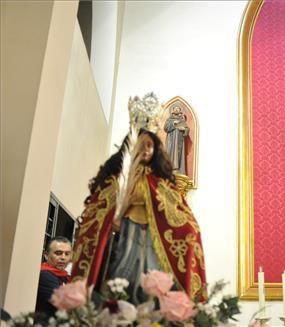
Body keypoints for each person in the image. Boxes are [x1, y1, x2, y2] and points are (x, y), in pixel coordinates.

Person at [71, 92, 206, 304]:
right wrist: (112, 217)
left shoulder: (161, 183)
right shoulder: (116, 178)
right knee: (123, 266)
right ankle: (119, 301)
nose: (145, 149)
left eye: (150, 145)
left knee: (149, 269)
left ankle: (149, 302)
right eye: (141, 144)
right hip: (124, 232)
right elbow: (98, 212)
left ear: (156, 149)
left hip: (152, 237)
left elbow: (180, 217)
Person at [35, 236, 72, 317]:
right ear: (46, 255)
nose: (63, 257)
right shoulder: (44, 275)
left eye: (67, 254)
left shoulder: (65, 276)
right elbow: (66, 304)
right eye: (58, 253)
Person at [164, 105, 189, 175]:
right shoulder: (169, 119)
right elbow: (165, 128)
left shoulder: (182, 120)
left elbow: (186, 129)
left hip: (179, 140)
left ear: (180, 111)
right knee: (170, 153)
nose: (177, 110)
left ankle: (177, 170)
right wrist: (173, 123)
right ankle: (169, 168)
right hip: (171, 140)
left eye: (178, 109)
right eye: (175, 108)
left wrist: (185, 130)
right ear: (173, 110)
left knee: (179, 154)